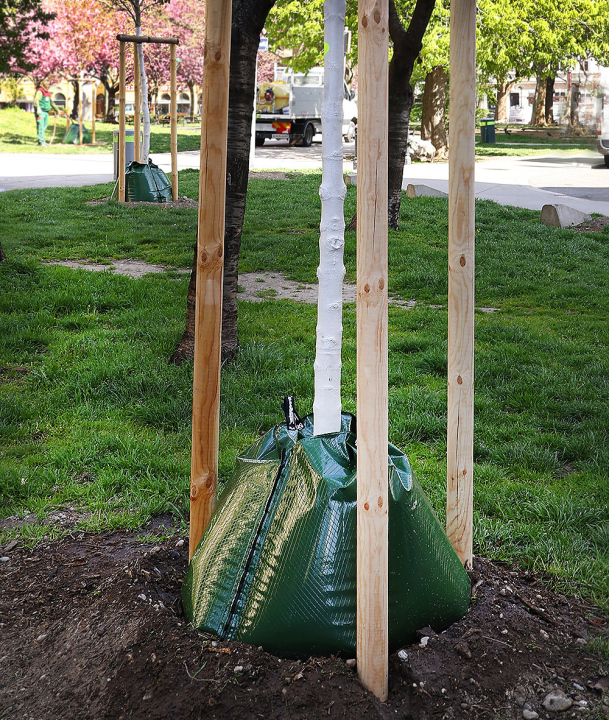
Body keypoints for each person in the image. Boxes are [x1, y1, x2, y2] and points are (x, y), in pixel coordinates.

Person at [33, 81, 62, 146]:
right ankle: (41, 141)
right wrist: (38, 108)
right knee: (40, 126)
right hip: (40, 112)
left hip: (46, 112)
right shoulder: (40, 91)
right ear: (44, 85)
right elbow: (36, 100)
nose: (48, 87)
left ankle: (41, 141)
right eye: (47, 86)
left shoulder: (48, 93)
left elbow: (51, 102)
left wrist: (57, 110)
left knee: (44, 126)